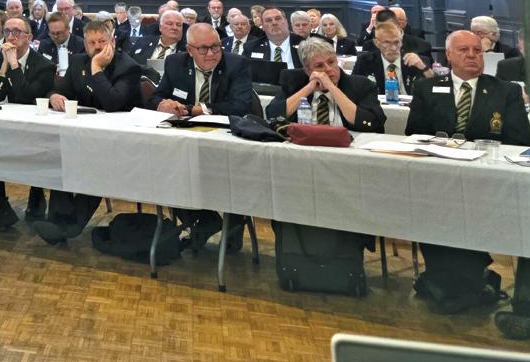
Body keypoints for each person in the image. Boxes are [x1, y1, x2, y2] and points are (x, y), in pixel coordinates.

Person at [406, 30, 530, 313]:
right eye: (464, 50)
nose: (472, 55)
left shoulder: (505, 91)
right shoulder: (427, 88)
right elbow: (414, 133)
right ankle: (445, 279)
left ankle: (469, 279)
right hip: (438, 181)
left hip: (486, 182)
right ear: (449, 55)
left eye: (477, 50)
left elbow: (520, 140)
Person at [148, 23, 256, 251]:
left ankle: (233, 229)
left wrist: (197, 109)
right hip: (185, 140)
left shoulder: (236, 64)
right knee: (164, 167)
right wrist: (163, 103)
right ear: (189, 50)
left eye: (215, 46)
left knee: (233, 176)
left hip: (226, 140)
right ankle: (202, 220)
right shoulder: (175, 63)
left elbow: (240, 105)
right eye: (203, 48)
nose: (211, 54)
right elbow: (156, 96)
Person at [34, 20, 143, 245]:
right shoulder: (77, 62)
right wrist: (54, 96)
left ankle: (72, 224)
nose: (97, 47)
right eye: (92, 43)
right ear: (85, 44)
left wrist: (96, 68)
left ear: (113, 42)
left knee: (97, 164)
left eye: (102, 41)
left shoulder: (128, 67)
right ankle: (57, 221)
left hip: (119, 142)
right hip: (83, 136)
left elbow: (113, 102)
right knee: (61, 156)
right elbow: (59, 89)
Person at [0, 16, 56, 231]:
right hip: (9, 125)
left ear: (29, 38)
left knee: (37, 153)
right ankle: (1, 206)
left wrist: (14, 64)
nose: (11, 36)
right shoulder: (3, 58)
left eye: (16, 32)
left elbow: (26, 96)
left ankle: (36, 198)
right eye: (7, 31)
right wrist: (5, 65)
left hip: (37, 128)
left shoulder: (44, 65)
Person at [267, 38, 386, 132]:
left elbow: (373, 122)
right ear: (307, 71)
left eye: (331, 62)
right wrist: (309, 88)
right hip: (304, 147)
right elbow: (272, 115)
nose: (328, 69)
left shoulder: (361, 84)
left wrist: (332, 88)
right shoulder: (293, 82)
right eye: (319, 66)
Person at [351, 22, 432, 94]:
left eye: (396, 42)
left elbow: (435, 87)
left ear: (401, 42)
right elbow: (352, 88)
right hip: (377, 105)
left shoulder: (414, 61)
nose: (393, 48)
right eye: (387, 43)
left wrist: (424, 67)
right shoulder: (365, 61)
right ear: (376, 43)